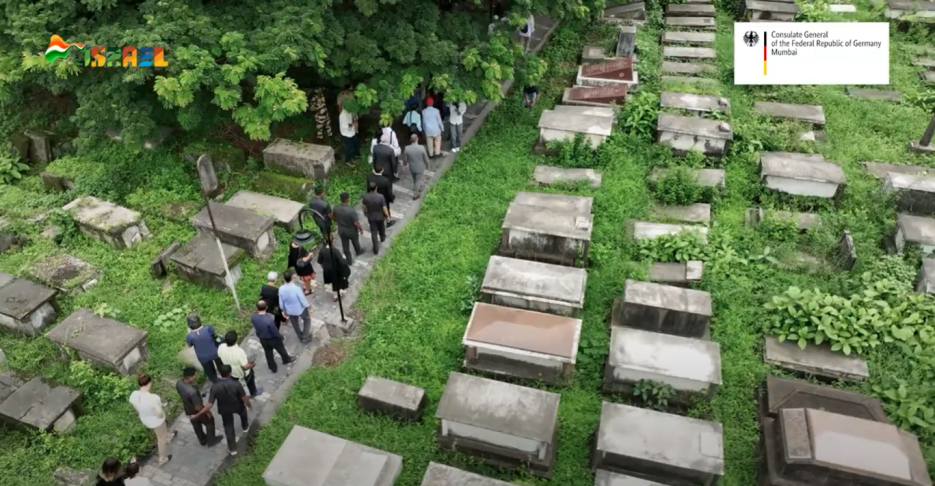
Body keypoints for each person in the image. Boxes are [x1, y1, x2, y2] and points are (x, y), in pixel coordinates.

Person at [192, 364, 251, 456]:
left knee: (228, 428)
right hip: (237, 405)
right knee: (243, 413)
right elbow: (244, 398)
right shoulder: (236, 384)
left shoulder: (215, 387)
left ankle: (232, 449)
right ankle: (245, 426)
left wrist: (198, 414)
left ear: (220, 373)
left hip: (224, 409)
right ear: (230, 373)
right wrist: (249, 405)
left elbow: (209, 404)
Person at [129, 374, 175, 466]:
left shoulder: (134, 394)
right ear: (149, 383)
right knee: (160, 438)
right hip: (156, 421)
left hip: (145, 419)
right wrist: (158, 410)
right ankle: (162, 458)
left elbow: (136, 407)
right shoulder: (153, 398)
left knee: (162, 432)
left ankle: (168, 436)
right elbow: (159, 413)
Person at [176, 366, 218, 447]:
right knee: (210, 422)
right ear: (190, 377)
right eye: (194, 375)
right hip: (196, 412)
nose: (196, 376)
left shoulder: (179, 383)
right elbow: (198, 407)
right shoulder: (192, 392)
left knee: (196, 425)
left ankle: (202, 440)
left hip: (188, 410)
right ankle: (211, 441)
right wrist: (208, 412)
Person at [252, 300, 294, 372]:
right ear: (266, 307)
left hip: (262, 339)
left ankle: (272, 367)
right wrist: (281, 337)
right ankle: (286, 360)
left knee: (268, 353)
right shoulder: (269, 320)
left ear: (256, 308)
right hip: (272, 339)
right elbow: (275, 332)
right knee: (281, 349)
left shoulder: (253, 316)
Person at [217, 331, 262, 397]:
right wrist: (252, 365)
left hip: (231, 371)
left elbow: (219, 356)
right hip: (241, 371)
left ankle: (238, 394)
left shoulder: (221, 347)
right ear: (236, 340)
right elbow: (245, 366)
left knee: (235, 382)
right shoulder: (239, 352)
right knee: (250, 381)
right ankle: (253, 392)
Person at [279, 270, 313, 343]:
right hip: (300, 309)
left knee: (295, 324)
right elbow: (302, 300)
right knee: (307, 320)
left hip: (290, 310)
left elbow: (281, 303)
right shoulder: (296, 288)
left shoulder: (281, 289)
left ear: (284, 279)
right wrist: (308, 306)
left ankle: (300, 336)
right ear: (292, 277)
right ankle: (305, 336)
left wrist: (284, 310)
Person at [185, 315, 220, 383]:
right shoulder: (207, 328)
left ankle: (216, 381)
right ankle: (224, 374)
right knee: (220, 365)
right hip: (215, 352)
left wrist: (190, 333)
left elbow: (189, 346)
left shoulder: (190, 336)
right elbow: (214, 334)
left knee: (210, 373)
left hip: (203, 357)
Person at [333, 191, 364, 264]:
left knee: (345, 246)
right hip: (351, 230)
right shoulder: (351, 210)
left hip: (342, 230)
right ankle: (358, 251)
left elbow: (334, 217)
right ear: (347, 199)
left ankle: (349, 261)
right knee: (355, 242)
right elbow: (356, 223)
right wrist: (361, 229)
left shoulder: (336, 208)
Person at [362, 182, 390, 255]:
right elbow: (384, 208)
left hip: (371, 217)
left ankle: (375, 249)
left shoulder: (365, 196)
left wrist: (365, 212)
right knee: (381, 227)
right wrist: (387, 216)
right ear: (376, 187)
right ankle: (382, 237)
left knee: (374, 232)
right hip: (380, 216)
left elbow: (364, 206)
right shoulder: (381, 196)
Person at [403, 134, 430, 198]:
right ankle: (415, 194)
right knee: (418, 180)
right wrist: (428, 165)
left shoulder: (407, 148)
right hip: (420, 167)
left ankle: (417, 187)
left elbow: (405, 158)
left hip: (412, 167)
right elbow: (425, 158)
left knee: (415, 179)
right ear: (417, 139)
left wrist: (405, 164)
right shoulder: (421, 147)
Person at [339, 101, 359, 166]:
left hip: (351, 132)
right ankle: (347, 161)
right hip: (346, 134)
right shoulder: (342, 115)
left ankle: (356, 156)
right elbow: (343, 126)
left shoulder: (348, 112)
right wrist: (353, 124)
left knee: (356, 143)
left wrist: (354, 119)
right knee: (349, 148)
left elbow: (351, 118)